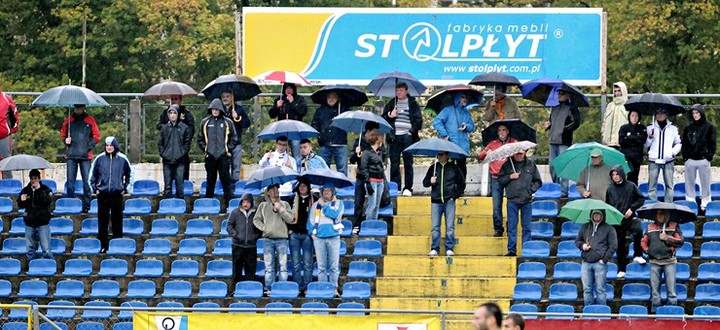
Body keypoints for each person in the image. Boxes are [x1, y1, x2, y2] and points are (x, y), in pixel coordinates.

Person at [89, 136, 133, 253]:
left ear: (115, 146)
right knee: (102, 221)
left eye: (111, 145)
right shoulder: (99, 159)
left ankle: (118, 244)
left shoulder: (123, 159)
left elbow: (130, 174)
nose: (109, 148)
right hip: (102, 194)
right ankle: (103, 245)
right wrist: (95, 189)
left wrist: (125, 188)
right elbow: (92, 176)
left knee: (117, 220)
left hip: (117, 194)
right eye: (107, 145)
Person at [497, 150, 542, 256]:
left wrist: (530, 190)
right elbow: (500, 180)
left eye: (520, 154)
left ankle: (526, 250)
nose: (518, 156)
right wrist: (510, 177)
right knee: (512, 227)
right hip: (512, 200)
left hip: (527, 200)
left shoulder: (531, 165)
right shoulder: (507, 165)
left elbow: (538, 181)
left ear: (525, 153)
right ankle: (512, 250)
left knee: (527, 227)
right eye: (516, 153)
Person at [253, 183, 294, 295]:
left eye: (277, 190)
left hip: (282, 239)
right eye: (274, 190)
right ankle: (269, 288)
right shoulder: (263, 206)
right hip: (268, 239)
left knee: (283, 266)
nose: (276, 192)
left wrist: (280, 209)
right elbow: (256, 220)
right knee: (269, 266)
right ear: (268, 192)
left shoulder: (284, 204)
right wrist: (264, 228)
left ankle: (282, 287)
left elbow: (291, 219)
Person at [382, 82, 422, 197]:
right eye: (397, 90)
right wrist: (390, 115)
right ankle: (396, 186)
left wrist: (412, 131)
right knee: (394, 163)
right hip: (394, 137)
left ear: (406, 91)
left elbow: (418, 120)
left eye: (401, 90)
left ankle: (408, 188)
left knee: (408, 163)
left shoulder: (413, 104)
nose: (398, 92)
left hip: (407, 136)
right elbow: (383, 118)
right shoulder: (392, 103)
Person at [605, 165, 646, 278]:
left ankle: (638, 254)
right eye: (613, 175)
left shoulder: (631, 186)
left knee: (638, 229)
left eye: (617, 174)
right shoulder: (610, 189)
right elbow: (607, 204)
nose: (615, 177)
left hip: (629, 217)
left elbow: (641, 199)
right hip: (617, 220)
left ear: (622, 174)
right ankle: (621, 268)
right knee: (620, 245)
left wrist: (632, 208)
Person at [423, 151, 465, 257]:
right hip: (435, 201)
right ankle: (434, 248)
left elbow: (462, 183)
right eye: (438, 155)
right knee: (435, 227)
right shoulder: (433, 167)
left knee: (450, 226)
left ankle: (449, 248)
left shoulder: (454, 168)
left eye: (442, 155)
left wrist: (454, 196)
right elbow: (425, 183)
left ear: (447, 155)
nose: (439, 157)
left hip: (449, 201)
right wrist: (430, 181)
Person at [641, 209, 683, 313]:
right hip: (654, 262)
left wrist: (667, 238)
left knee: (671, 290)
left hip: (669, 261)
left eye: (663, 213)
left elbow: (680, 241)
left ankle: (672, 311)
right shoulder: (650, 227)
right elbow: (643, 241)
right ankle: (655, 312)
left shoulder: (674, 225)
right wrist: (647, 250)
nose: (661, 215)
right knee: (655, 291)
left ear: (667, 214)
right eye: (659, 213)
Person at [197, 98, 238, 208]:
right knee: (210, 181)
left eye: (217, 109)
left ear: (221, 109)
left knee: (226, 182)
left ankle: (229, 205)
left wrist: (226, 149)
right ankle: (209, 205)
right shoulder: (205, 122)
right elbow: (199, 139)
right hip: (210, 157)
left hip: (223, 157)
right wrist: (206, 149)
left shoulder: (227, 122)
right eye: (213, 109)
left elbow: (234, 138)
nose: (215, 111)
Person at [478, 124, 517, 237]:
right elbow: (480, 156)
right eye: (499, 130)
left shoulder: (513, 142)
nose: (502, 132)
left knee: (511, 204)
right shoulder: (493, 144)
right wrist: (486, 153)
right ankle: (498, 228)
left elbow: (522, 153)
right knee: (496, 206)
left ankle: (511, 226)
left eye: (504, 130)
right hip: (496, 177)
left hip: (510, 177)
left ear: (508, 131)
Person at [61, 104, 100, 213]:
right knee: (70, 182)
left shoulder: (90, 120)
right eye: (76, 107)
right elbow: (63, 136)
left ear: (84, 108)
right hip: (71, 155)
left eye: (80, 107)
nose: (78, 109)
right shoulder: (68, 121)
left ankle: (87, 205)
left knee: (87, 182)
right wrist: (66, 141)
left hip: (85, 156)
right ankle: (71, 204)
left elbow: (96, 137)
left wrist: (87, 147)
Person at [307, 183, 345, 295]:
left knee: (333, 266)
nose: (326, 193)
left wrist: (324, 205)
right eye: (324, 191)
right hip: (319, 238)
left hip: (334, 237)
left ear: (333, 192)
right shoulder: (315, 205)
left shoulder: (339, 203)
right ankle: (323, 288)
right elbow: (311, 221)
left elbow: (335, 214)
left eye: (329, 190)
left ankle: (333, 288)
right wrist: (312, 235)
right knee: (321, 267)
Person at [576, 209, 617, 306]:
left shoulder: (609, 228)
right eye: (594, 213)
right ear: (591, 214)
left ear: (603, 215)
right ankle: (589, 313)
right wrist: (583, 246)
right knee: (587, 290)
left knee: (600, 289)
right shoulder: (585, 227)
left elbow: (613, 246)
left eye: (599, 213)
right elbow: (578, 240)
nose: (596, 215)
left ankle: (602, 314)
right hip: (586, 262)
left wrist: (604, 259)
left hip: (600, 263)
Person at [544, 89, 581, 197]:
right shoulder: (554, 108)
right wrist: (548, 125)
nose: (559, 95)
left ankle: (564, 190)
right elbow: (551, 122)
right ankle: (556, 187)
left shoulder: (572, 108)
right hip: (553, 141)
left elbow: (577, 122)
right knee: (552, 166)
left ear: (568, 95)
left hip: (564, 141)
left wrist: (564, 129)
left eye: (562, 93)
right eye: (558, 93)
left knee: (563, 166)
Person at [349, 122, 384, 230]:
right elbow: (352, 160)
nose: (376, 135)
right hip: (361, 176)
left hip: (374, 176)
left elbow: (383, 157)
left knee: (374, 203)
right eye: (374, 132)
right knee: (358, 202)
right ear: (368, 131)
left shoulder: (378, 143)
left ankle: (371, 224)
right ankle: (356, 224)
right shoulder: (359, 142)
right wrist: (356, 153)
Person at [433, 91, 475, 180]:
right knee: (449, 167)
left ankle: (461, 189)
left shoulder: (466, 112)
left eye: (465, 97)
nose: (465, 99)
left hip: (463, 146)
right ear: (457, 99)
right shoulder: (448, 110)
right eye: (462, 97)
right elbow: (436, 122)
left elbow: (472, 127)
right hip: (450, 144)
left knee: (462, 168)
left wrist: (466, 126)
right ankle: (449, 188)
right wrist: (444, 135)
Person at [681, 104, 716, 212]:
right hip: (690, 160)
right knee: (689, 183)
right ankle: (690, 201)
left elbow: (712, 143)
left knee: (705, 183)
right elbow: (685, 143)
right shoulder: (688, 128)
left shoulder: (709, 127)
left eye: (697, 113)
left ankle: (705, 202)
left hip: (703, 159)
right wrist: (686, 157)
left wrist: (708, 156)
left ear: (701, 113)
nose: (695, 115)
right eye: (693, 113)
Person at [645, 108, 681, 202]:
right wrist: (649, 137)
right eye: (657, 113)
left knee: (669, 185)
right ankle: (653, 205)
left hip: (668, 160)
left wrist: (672, 153)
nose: (660, 115)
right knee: (652, 186)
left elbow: (678, 143)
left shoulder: (673, 128)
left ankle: (668, 205)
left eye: (662, 113)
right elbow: (645, 145)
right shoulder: (650, 127)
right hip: (653, 160)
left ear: (666, 114)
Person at [156, 95, 195, 181]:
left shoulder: (186, 114)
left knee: (182, 179)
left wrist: (180, 127)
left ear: (181, 100)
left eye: (176, 99)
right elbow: (158, 125)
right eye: (172, 99)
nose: (174, 101)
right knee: (169, 180)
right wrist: (168, 126)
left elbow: (191, 130)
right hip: (168, 151)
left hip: (181, 151)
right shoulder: (165, 113)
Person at [18, 169, 53, 261]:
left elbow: (48, 201)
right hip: (29, 223)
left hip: (43, 223)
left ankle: (49, 266)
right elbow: (20, 205)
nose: (34, 180)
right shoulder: (25, 190)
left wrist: (39, 190)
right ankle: (31, 266)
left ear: (39, 178)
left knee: (46, 248)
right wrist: (22, 200)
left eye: (35, 178)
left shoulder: (45, 189)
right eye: (32, 178)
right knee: (29, 248)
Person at [311, 91, 349, 175]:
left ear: (338, 98)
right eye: (329, 97)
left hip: (340, 143)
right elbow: (315, 124)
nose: (331, 99)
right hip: (324, 143)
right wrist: (319, 136)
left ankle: (343, 188)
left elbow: (349, 124)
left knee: (342, 171)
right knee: (323, 170)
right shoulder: (320, 110)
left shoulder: (344, 109)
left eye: (334, 97)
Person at [158, 105, 192, 198]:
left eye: (174, 113)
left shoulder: (184, 128)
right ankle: (167, 205)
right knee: (167, 186)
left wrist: (180, 154)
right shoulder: (164, 128)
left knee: (180, 186)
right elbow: (160, 143)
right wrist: (164, 154)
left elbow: (187, 144)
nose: (172, 115)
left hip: (180, 161)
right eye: (170, 113)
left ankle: (180, 205)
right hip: (167, 161)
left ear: (178, 114)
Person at [227, 193, 260, 286]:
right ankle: (235, 290)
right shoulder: (235, 212)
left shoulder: (256, 213)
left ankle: (249, 290)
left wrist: (255, 236)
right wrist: (236, 235)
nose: (245, 204)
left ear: (251, 203)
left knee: (251, 270)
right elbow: (229, 226)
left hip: (251, 247)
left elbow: (260, 227)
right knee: (237, 270)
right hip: (237, 246)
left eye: (248, 202)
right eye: (244, 202)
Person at [269, 82, 308, 159]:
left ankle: (297, 169)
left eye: (290, 88)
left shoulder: (299, 99)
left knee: (296, 152)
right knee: (282, 153)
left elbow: (303, 112)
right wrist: (276, 106)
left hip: (295, 130)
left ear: (294, 89)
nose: (288, 90)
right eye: (287, 88)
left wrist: (293, 103)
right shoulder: (279, 99)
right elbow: (272, 115)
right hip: (282, 129)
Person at [289, 178, 314, 295]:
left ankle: (307, 287)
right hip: (294, 235)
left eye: (304, 186)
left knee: (308, 263)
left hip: (307, 235)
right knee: (295, 263)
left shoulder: (314, 200)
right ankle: (297, 287)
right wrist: (289, 228)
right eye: (300, 186)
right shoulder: (292, 199)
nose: (302, 188)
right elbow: (287, 215)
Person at [221, 90, 251, 182]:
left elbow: (247, 123)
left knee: (236, 167)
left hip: (236, 142)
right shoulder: (219, 110)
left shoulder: (239, 109)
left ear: (232, 97)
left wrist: (237, 117)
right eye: (223, 97)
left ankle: (234, 186)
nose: (225, 99)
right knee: (223, 167)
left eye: (227, 96)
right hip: (223, 143)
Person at [359, 127, 386, 221]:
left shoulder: (379, 152)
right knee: (372, 204)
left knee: (377, 205)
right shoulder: (366, 153)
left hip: (380, 180)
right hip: (372, 180)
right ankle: (369, 223)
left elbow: (383, 163)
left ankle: (374, 222)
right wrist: (367, 182)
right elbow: (364, 168)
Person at [618, 109, 647, 185]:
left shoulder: (642, 128)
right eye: (632, 116)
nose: (634, 118)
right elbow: (621, 141)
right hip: (627, 157)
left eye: (636, 116)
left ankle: (634, 195)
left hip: (637, 158)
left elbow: (642, 140)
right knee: (626, 176)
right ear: (629, 117)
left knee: (634, 178)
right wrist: (635, 138)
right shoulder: (624, 128)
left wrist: (629, 137)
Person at [601, 82, 628, 148]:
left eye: (619, 91)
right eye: (615, 91)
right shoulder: (610, 105)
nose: (617, 93)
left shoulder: (628, 105)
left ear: (623, 91)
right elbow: (604, 122)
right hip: (608, 143)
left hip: (622, 143)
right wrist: (603, 134)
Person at [0, 89, 19, 178]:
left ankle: (8, 188)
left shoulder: (6, 98)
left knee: (6, 164)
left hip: (3, 136)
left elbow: (14, 114)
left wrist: (12, 129)